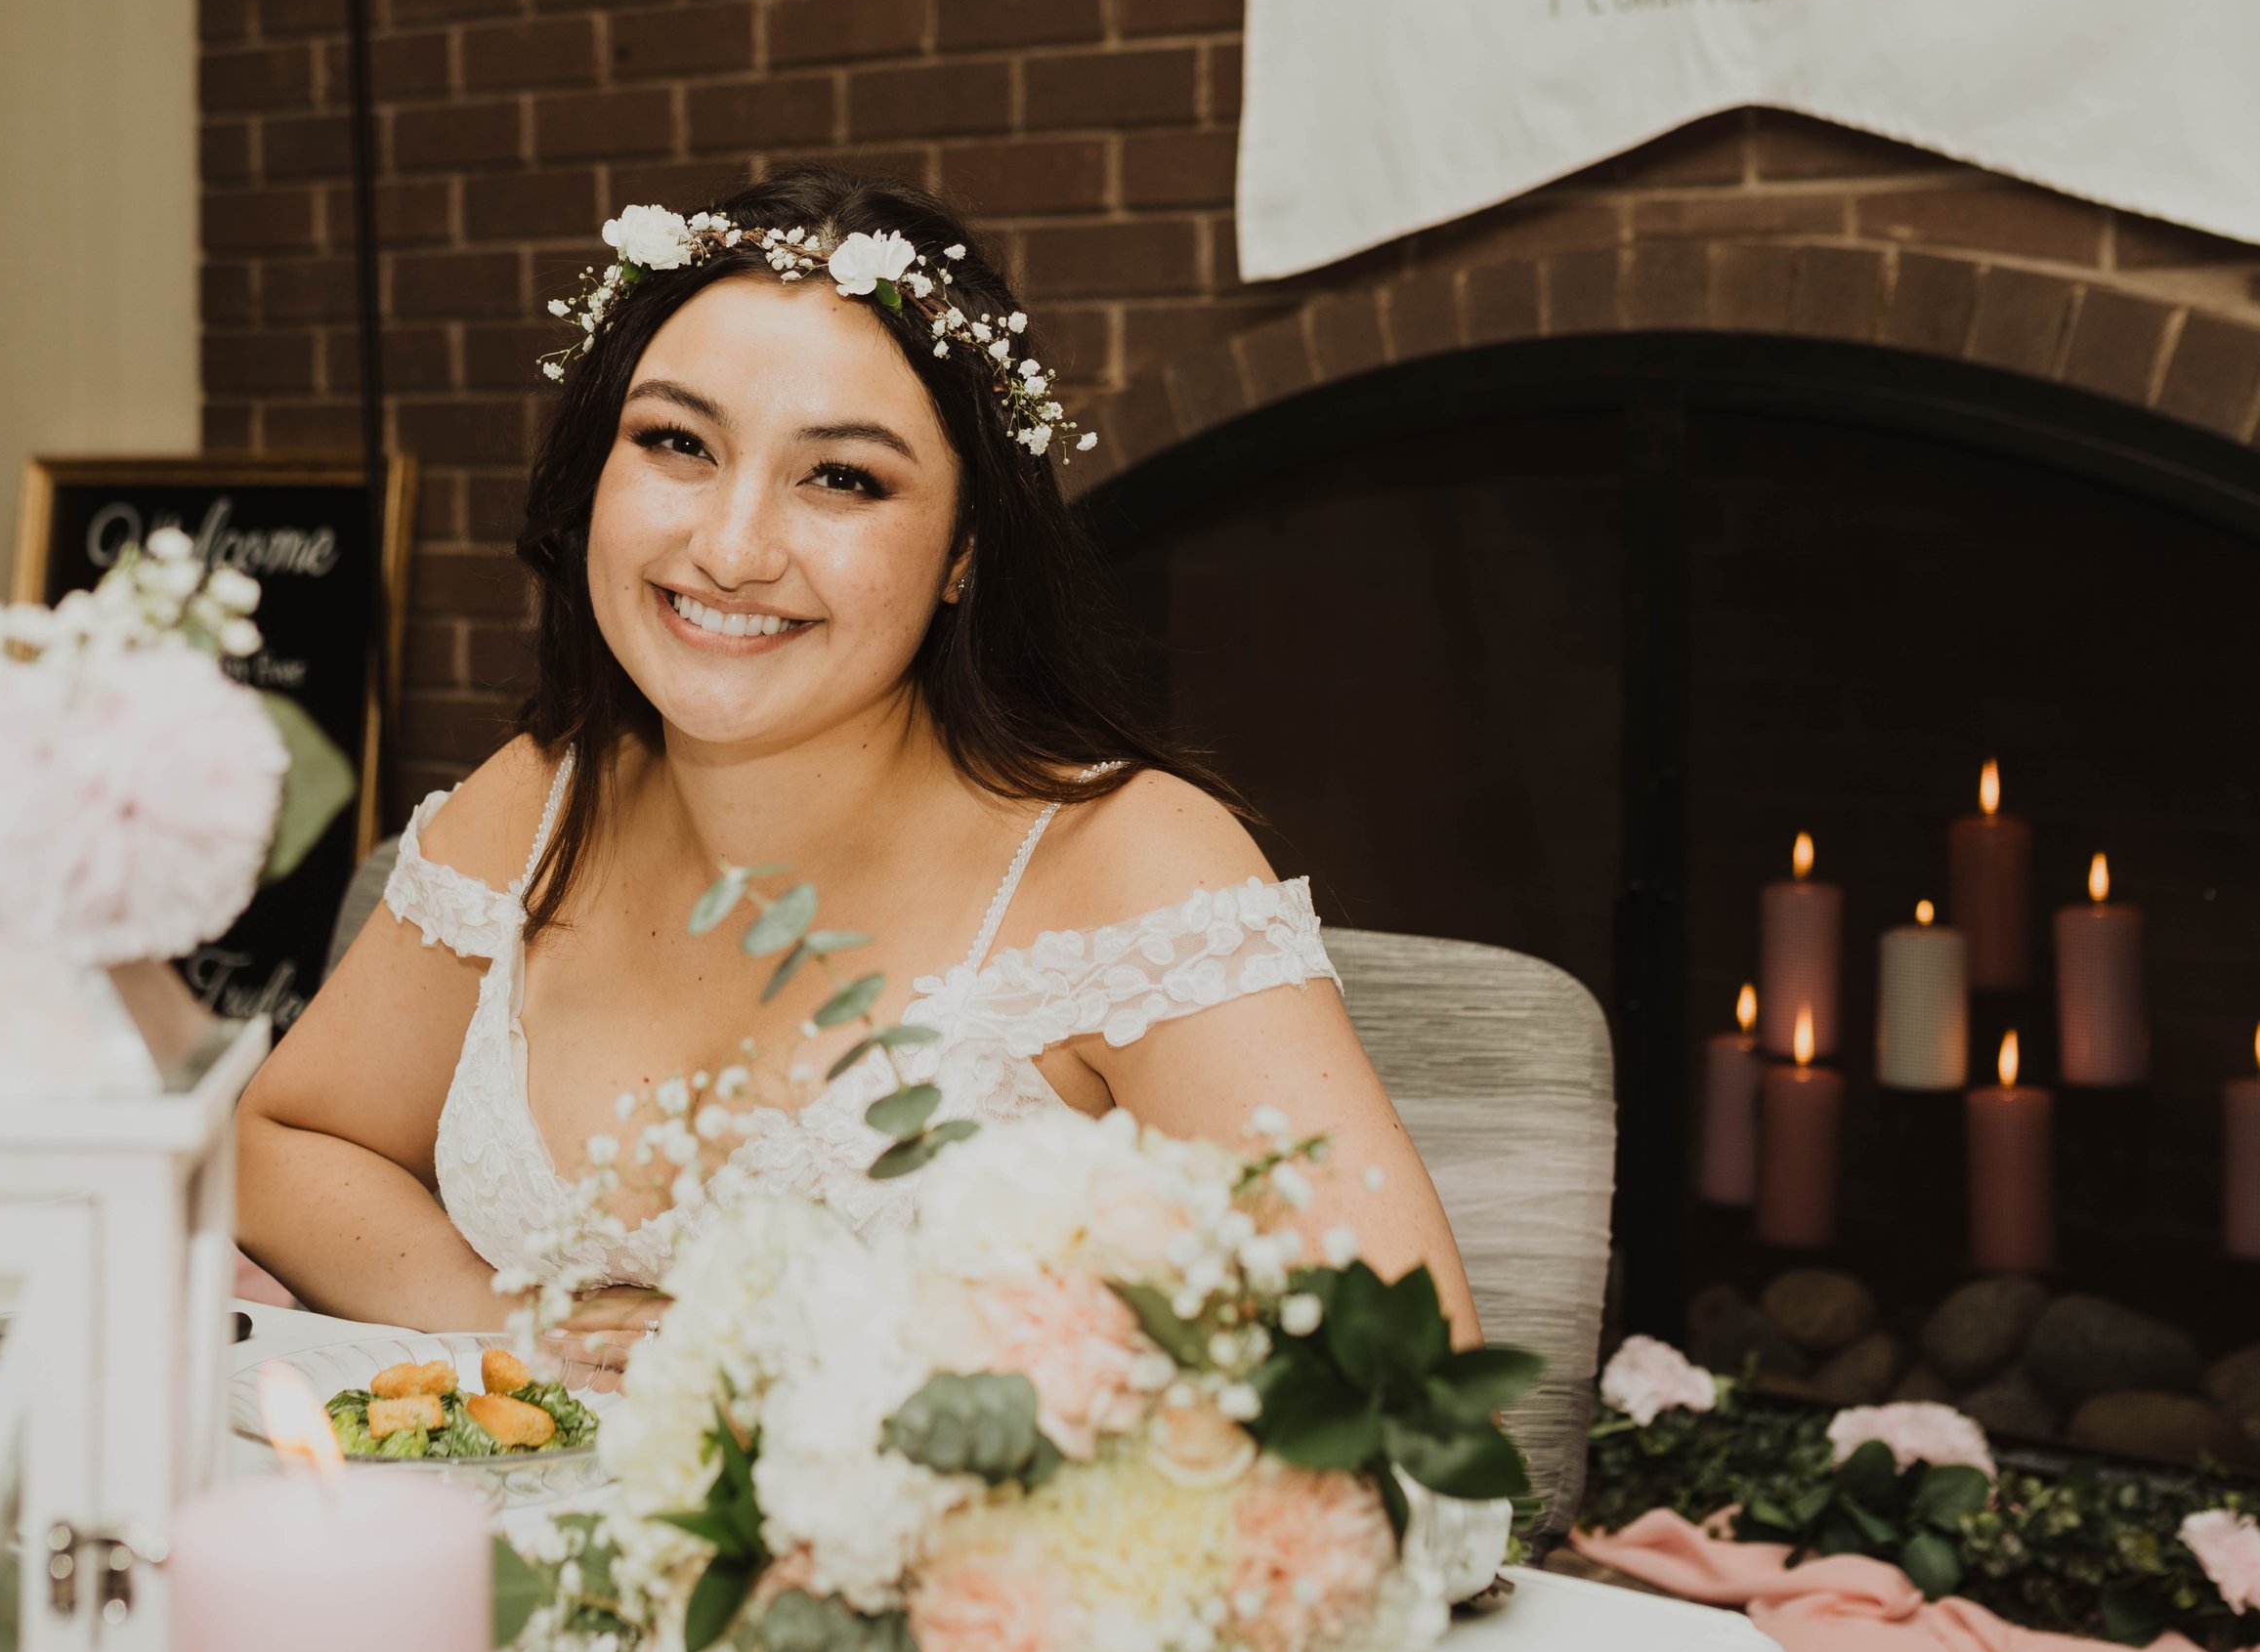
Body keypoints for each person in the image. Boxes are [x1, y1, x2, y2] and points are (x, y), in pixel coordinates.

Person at [235, 170, 1476, 1344]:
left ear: (963, 551)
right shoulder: (539, 801)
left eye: (840, 477)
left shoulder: (1132, 867)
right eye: (677, 443)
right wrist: (515, 1323)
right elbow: (283, 1140)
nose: (730, 546)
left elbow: (1420, 1403)